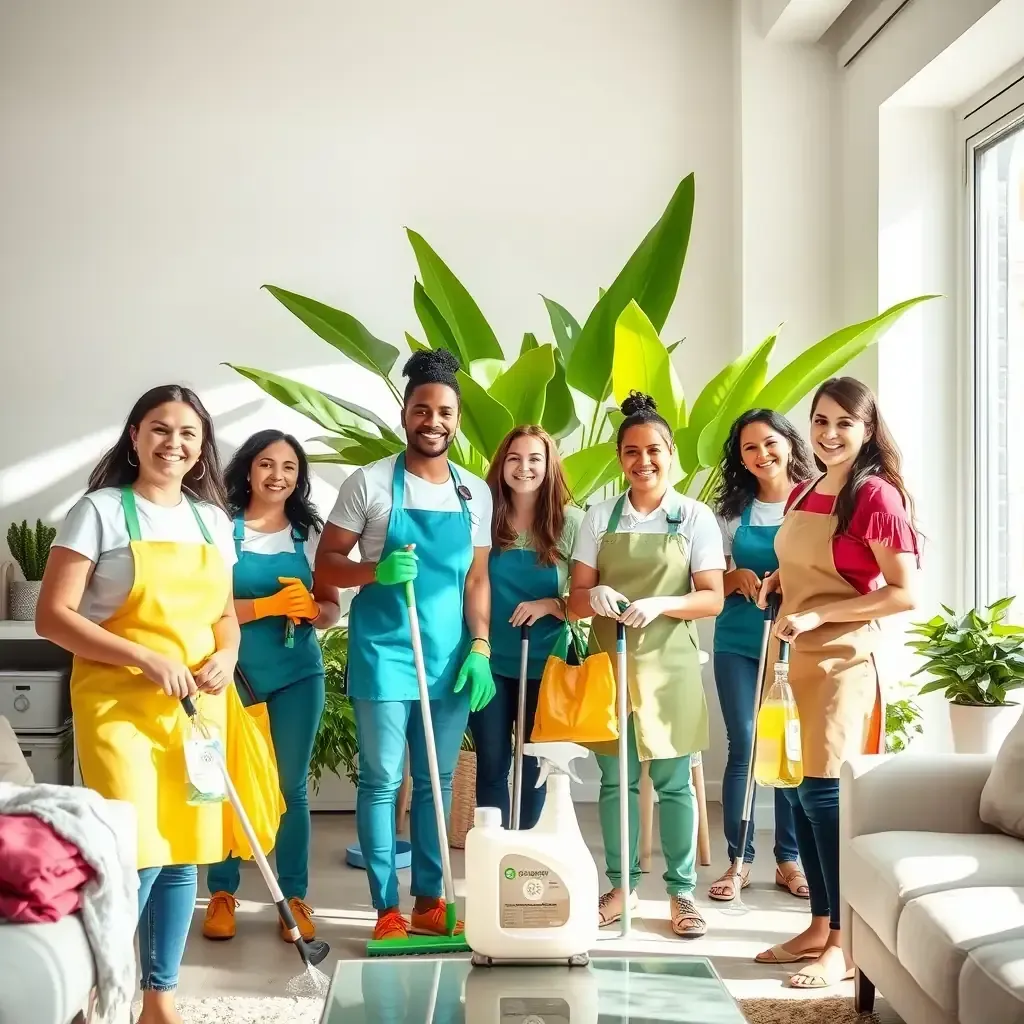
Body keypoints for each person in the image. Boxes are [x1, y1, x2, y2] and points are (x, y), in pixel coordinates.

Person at [36, 385, 239, 1024]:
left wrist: (228, 656)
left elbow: (226, 616)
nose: (172, 443)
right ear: (134, 436)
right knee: (133, 851)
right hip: (118, 705)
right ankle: (99, 991)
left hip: (198, 710)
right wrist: (143, 656)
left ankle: (160, 998)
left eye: (186, 432)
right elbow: (52, 617)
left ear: (202, 446)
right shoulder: (98, 511)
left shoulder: (212, 520)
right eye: (159, 429)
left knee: (181, 852)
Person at [314, 348, 495, 943]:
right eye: (422, 409)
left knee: (437, 783)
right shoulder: (370, 485)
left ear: (457, 419)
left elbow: (476, 579)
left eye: (444, 411)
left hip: (447, 658)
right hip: (383, 652)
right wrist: (375, 571)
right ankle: (386, 907)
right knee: (383, 779)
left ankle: (431, 900)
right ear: (406, 415)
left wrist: (481, 647)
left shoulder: (474, 494)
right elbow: (329, 565)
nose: (433, 421)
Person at [755, 376, 919, 988]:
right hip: (795, 659)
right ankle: (819, 924)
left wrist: (821, 612)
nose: (828, 435)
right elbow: (806, 561)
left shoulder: (873, 495)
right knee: (798, 790)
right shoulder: (806, 491)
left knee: (825, 798)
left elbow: (902, 593)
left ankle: (845, 946)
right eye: (820, 422)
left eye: (843, 424)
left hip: (843, 663)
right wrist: (777, 580)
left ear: (868, 429)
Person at [568, 391, 726, 939]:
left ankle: (682, 894)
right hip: (610, 664)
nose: (644, 461)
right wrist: (599, 595)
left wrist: (661, 603)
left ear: (671, 451)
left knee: (675, 781)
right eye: (632, 452)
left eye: (654, 450)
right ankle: (621, 887)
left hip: (671, 666)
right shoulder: (597, 517)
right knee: (615, 783)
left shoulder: (694, 518)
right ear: (620, 458)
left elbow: (712, 598)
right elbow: (575, 597)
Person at [203, 430, 341, 943]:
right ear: (248, 470)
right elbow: (205, 607)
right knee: (229, 783)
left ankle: (296, 897)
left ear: (299, 477)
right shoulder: (221, 528)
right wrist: (268, 607)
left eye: (289, 466)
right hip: (232, 677)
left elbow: (330, 608)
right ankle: (222, 891)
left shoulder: (310, 535)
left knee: (291, 788)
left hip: (298, 677)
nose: (277, 475)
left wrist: (313, 609)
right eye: (266, 464)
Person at [708, 409, 815, 903]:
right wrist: (735, 578)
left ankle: (789, 859)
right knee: (745, 747)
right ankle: (739, 860)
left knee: (785, 747)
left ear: (790, 444)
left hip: (795, 642)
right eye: (749, 447)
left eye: (770, 443)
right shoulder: (729, 512)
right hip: (737, 640)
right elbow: (712, 575)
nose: (762, 454)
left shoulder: (815, 502)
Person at [471, 425, 583, 830]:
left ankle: (527, 848)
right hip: (490, 662)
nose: (524, 468)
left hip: (548, 662)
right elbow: (469, 583)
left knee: (536, 761)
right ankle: (495, 848)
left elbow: (587, 599)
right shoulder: (483, 519)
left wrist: (551, 604)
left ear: (549, 466)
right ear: (501, 465)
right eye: (514, 458)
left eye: (535, 459)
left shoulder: (573, 524)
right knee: (492, 761)